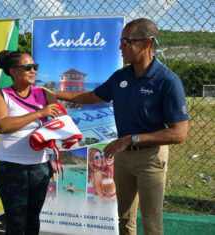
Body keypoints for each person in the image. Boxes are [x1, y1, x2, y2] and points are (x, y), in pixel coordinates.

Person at [46, 18, 189, 235]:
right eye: (121, 41)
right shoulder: (121, 76)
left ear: (147, 43)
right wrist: (55, 94)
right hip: (123, 157)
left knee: (151, 220)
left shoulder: (167, 81)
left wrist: (129, 139)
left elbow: (179, 133)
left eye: (126, 41)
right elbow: (93, 95)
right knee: (124, 217)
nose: (120, 47)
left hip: (150, 158)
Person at [0, 50, 60, 235]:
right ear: (12, 71)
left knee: (33, 219)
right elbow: (2, 126)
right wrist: (39, 113)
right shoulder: (0, 95)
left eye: (34, 67)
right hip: (10, 168)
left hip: (39, 167)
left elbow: (58, 120)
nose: (33, 71)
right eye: (27, 67)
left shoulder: (44, 94)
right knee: (15, 222)